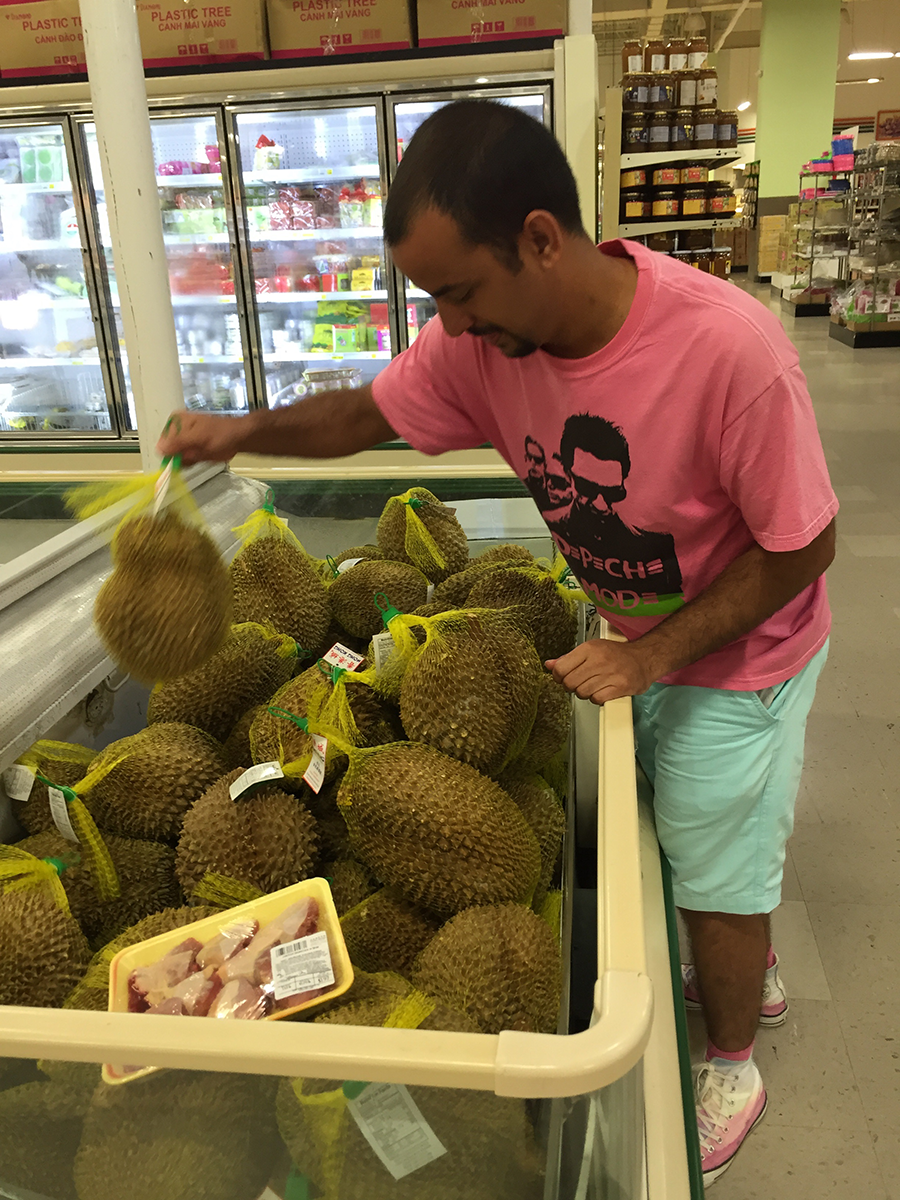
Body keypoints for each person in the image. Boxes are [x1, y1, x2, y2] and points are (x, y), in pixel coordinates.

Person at [158, 99, 837, 1186]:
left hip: (741, 650)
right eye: (435, 301)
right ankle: (743, 961)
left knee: (713, 859)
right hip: (633, 632)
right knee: (688, 840)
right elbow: (363, 415)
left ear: (539, 237)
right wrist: (241, 430)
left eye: (461, 293)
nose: (453, 327)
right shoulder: (483, 344)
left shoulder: (728, 350)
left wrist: (655, 656)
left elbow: (804, 545)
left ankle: (732, 1063)